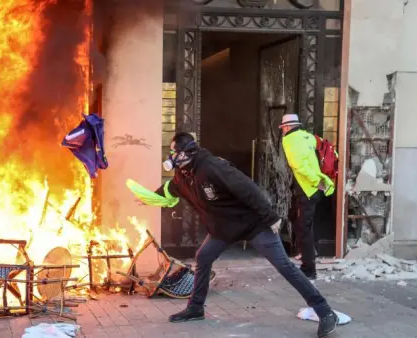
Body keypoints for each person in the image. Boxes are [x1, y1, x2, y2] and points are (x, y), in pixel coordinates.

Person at [138, 132, 338, 338]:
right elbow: (171, 189)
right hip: (224, 228)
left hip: (253, 224)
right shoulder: (183, 174)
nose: (171, 157)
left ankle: (325, 311)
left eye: (175, 153)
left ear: (188, 152)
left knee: (284, 266)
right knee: (203, 257)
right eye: (171, 152)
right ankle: (195, 308)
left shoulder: (212, 167)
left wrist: (271, 217)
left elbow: (247, 188)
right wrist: (150, 198)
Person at [279, 114, 335, 280]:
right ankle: (307, 260)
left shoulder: (290, 140)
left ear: (287, 127)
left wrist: (316, 181)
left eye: (283, 128)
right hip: (312, 190)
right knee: (302, 225)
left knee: (304, 228)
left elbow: (299, 165)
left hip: (307, 190)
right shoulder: (308, 137)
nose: (283, 131)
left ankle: (309, 268)